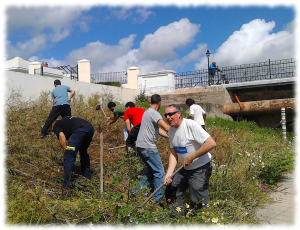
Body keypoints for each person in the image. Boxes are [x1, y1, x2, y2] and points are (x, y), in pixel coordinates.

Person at [164, 104, 216, 212]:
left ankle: (200, 220)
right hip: (184, 169)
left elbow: (211, 143)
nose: (168, 117)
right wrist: (169, 173)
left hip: (200, 168)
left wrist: (191, 157)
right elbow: (174, 154)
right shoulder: (171, 131)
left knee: (197, 200)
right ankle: (177, 217)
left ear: (179, 114)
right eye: (166, 115)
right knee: (171, 189)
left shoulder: (191, 125)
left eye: (170, 114)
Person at [135, 94, 170, 206]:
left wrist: (169, 136)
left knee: (151, 170)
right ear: (159, 103)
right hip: (148, 147)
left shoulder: (147, 112)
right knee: (160, 172)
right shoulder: (154, 113)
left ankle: (135, 192)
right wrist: (175, 132)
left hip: (140, 146)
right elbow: (166, 126)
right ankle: (157, 200)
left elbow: (158, 129)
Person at [51, 116, 94, 188]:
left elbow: (62, 137)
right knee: (83, 152)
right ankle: (87, 177)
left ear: (52, 125)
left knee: (69, 156)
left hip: (80, 130)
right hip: (90, 128)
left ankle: (66, 185)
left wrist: (66, 152)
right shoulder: (66, 122)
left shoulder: (56, 125)